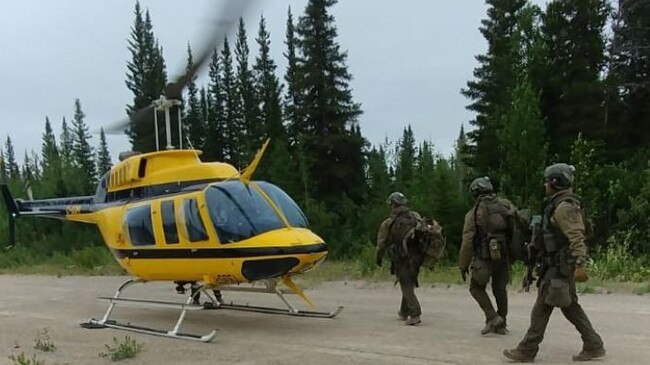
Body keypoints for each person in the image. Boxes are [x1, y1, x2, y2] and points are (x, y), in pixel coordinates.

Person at [503, 163, 605, 362]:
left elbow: (577, 236)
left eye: (547, 181)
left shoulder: (564, 207)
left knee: (542, 307)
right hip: (557, 266)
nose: (545, 185)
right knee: (570, 306)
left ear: (555, 182)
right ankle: (593, 344)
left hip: (560, 267)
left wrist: (580, 263)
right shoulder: (559, 204)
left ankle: (527, 350)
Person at [459, 177, 516, 335]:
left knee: (476, 287)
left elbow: (467, 241)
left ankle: (492, 317)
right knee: (500, 289)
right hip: (504, 255)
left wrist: (463, 264)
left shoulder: (474, 212)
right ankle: (501, 324)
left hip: (484, 257)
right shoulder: (505, 205)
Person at [376, 192, 424, 326]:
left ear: (392, 204)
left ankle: (415, 314)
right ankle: (404, 312)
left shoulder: (389, 222)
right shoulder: (416, 216)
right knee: (408, 282)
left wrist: (378, 257)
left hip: (402, 258)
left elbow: (381, 243)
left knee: (406, 285)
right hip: (418, 257)